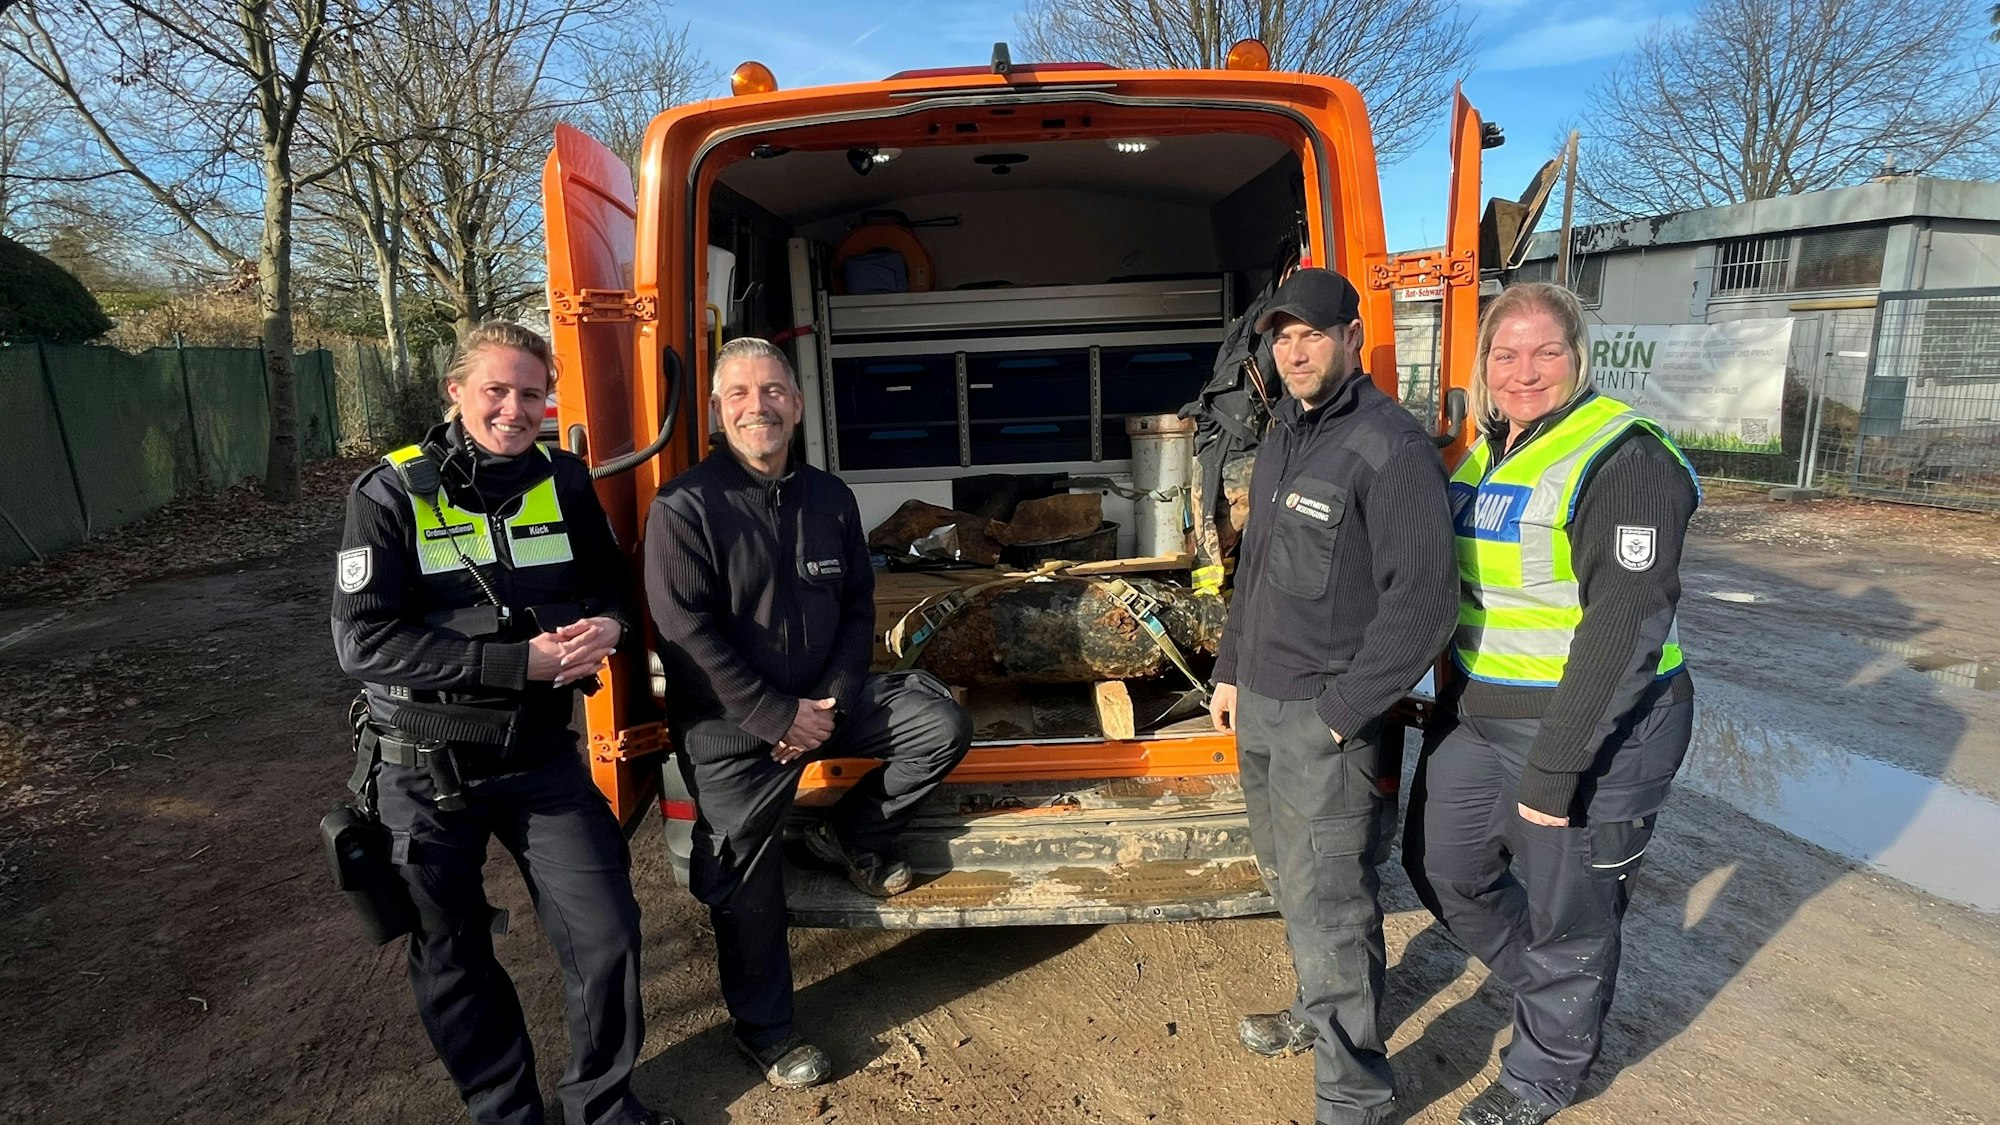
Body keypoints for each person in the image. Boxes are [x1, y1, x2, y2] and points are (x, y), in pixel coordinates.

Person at [330, 322, 674, 1125]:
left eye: (531, 393)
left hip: (538, 756)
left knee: (606, 931)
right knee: (452, 951)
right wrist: (516, 663)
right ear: (455, 391)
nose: (515, 409)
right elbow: (361, 642)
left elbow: (611, 584)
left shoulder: (564, 477)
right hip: (422, 768)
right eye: (497, 390)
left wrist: (614, 625)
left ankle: (601, 1104)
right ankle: (506, 1112)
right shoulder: (388, 493)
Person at [1402, 282, 1701, 1125]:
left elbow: (1625, 626)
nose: (1524, 370)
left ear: (1579, 357)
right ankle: (1553, 990)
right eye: (1505, 353)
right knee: (1445, 868)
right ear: (1483, 364)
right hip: (1481, 710)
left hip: (1595, 723)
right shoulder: (1490, 450)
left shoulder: (1624, 458)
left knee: (1571, 911)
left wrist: (1558, 766)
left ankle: (1541, 1076)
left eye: (1546, 352)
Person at [642, 337, 971, 1091]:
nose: (757, 406)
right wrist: (774, 716)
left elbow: (857, 607)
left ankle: (849, 834)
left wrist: (833, 702)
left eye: (772, 391)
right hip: (731, 729)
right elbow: (684, 634)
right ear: (718, 411)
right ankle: (766, 1031)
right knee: (745, 885)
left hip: (824, 705)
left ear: (795, 403)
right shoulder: (684, 507)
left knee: (939, 725)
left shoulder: (831, 498)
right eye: (739, 394)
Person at [1207, 268, 1459, 1125]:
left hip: (1326, 721)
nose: (1294, 351)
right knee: (1294, 884)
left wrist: (1343, 711)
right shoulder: (1284, 435)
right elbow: (1254, 576)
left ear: (1353, 335)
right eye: (1282, 337)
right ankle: (1318, 1017)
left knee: (1334, 906)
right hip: (1263, 706)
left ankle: (1354, 1096)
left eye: (1310, 334)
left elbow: (1424, 603)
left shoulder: (1390, 447)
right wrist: (1229, 670)